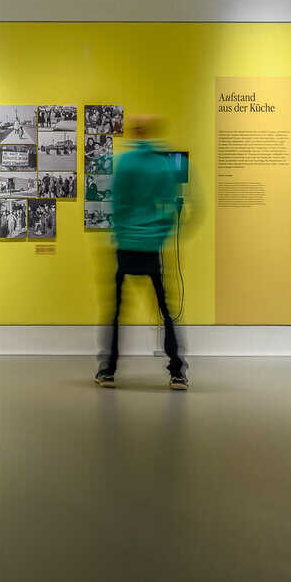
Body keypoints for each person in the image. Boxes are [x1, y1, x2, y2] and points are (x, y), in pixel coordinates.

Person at [96, 115, 186, 390]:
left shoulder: (124, 162)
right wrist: (160, 233)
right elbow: (169, 206)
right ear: (152, 131)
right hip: (150, 246)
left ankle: (108, 370)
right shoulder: (161, 164)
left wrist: (121, 232)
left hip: (126, 244)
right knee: (165, 309)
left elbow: (116, 204)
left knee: (116, 310)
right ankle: (177, 371)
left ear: (135, 132)